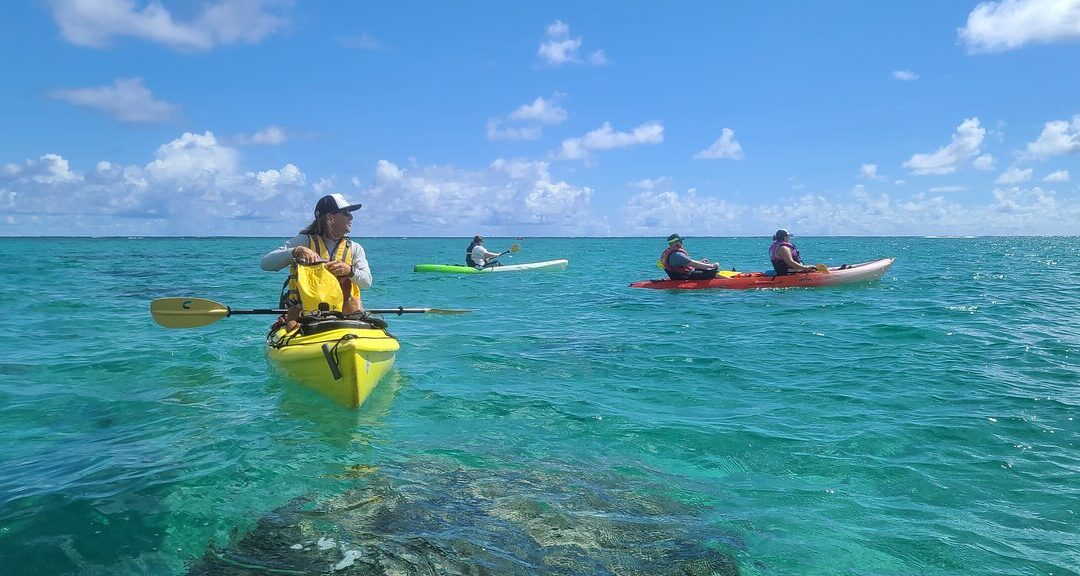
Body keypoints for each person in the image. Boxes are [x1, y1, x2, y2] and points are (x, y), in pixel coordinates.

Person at [261, 193, 372, 330]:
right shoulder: (304, 241)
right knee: (295, 313)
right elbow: (266, 263)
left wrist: (349, 270)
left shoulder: (355, 249)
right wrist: (295, 251)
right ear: (329, 217)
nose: (351, 216)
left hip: (345, 315)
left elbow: (366, 282)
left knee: (354, 302)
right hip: (305, 315)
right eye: (345, 212)